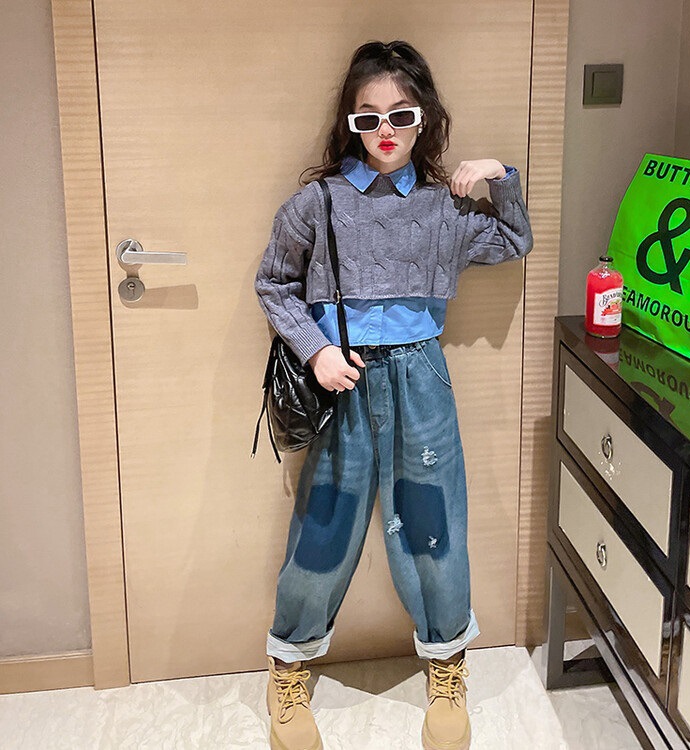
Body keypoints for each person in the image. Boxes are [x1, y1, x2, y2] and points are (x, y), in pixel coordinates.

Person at [254, 39, 533, 750]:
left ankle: (447, 665)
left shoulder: (444, 209)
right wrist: (316, 350)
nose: (385, 130)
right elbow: (274, 285)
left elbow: (513, 240)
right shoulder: (316, 204)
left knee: (433, 526)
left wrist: (500, 174)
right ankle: (288, 666)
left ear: (424, 119)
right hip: (339, 382)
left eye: (401, 115)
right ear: (348, 122)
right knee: (323, 528)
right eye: (368, 117)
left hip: (420, 379)